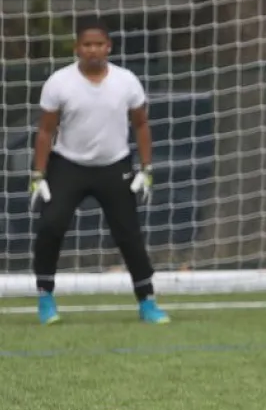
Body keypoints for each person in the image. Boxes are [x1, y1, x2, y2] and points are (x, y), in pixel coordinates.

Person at [29, 17, 170, 325]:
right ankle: (45, 297)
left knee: (128, 234)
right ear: (77, 48)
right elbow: (45, 131)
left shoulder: (126, 81)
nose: (93, 50)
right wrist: (38, 174)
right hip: (68, 165)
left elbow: (141, 124)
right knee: (51, 226)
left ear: (109, 47)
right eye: (87, 44)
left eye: (99, 44)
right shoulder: (59, 82)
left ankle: (147, 301)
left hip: (114, 165)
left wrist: (146, 169)